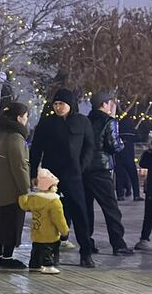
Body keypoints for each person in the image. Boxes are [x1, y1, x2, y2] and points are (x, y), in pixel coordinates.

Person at [29, 88, 97, 265]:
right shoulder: (47, 123)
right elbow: (36, 149)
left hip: (74, 174)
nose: (58, 107)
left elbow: (90, 146)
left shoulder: (82, 122)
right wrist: (33, 173)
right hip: (51, 176)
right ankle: (51, 252)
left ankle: (86, 252)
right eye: (56, 104)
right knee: (50, 213)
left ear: (70, 104)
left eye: (62, 104)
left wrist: (82, 166)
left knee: (80, 212)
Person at [84, 91, 134, 256]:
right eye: (111, 103)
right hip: (101, 168)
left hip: (84, 169)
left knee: (86, 209)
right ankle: (118, 243)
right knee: (111, 208)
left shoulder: (85, 120)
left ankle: (87, 242)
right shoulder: (109, 121)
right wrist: (121, 143)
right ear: (105, 104)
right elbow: (113, 145)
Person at [0, 98, 31, 270]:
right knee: (12, 223)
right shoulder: (15, 137)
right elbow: (19, 165)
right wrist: (25, 188)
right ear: (19, 118)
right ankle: (7, 257)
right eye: (26, 116)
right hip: (12, 190)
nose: (26, 120)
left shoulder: (0, 134)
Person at [21, 168, 70, 275]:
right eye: (55, 185)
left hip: (36, 232)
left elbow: (24, 205)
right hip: (49, 234)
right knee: (47, 251)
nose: (57, 188)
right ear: (49, 187)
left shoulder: (34, 199)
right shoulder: (54, 202)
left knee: (36, 249)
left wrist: (22, 195)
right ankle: (47, 265)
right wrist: (64, 231)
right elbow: (59, 219)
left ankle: (34, 265)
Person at [114, 115, 141, 201]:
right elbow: (139, 138)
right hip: (129, 157)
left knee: (119, 177)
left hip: (118, 156)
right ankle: (136, 195)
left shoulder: (117, 133)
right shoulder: (131, 132)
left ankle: (120, 195)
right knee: (133, 177)